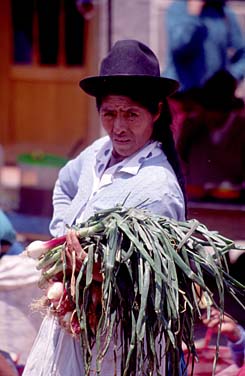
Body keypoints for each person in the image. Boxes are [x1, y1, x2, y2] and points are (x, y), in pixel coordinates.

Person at [22, 39, 187, 375]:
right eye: (109, 114)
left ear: (156, 112)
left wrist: (91, 276)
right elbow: (65, 185)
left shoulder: (157, 189)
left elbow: (147, 286)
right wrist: (62, 235)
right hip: (75, 321)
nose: (118, 127)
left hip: (120, 342)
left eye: (131, 114)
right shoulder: (98, 152)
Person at [163, 0, 245, 133]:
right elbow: (179, 45)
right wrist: (193, 14)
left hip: (214, 103)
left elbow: (242, 53)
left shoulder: (224, 13)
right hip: (183, 100)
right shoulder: (178, 9)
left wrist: (232, 77)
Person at [176, 70, 245, 201]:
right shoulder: (193, 126)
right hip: (195, 199)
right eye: (208, 109)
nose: (211, 115)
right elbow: (180, 157)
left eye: (216, 110)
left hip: (231, 202)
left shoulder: (241, 130)